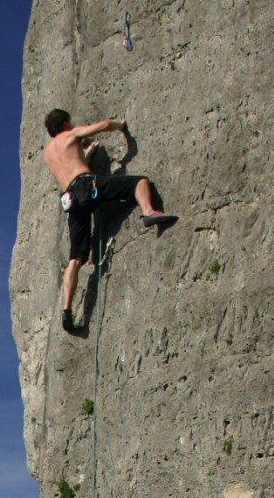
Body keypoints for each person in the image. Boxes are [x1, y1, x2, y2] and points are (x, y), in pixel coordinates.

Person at [43, 108, 177, 332]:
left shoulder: (48, 154)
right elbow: (104, 124)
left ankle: (67, 311)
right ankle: (150, 213)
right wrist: (121, 125)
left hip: (71, 198)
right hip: (87, 186)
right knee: (139, 182)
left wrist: (89, 153)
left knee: (75, 258)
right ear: (65, 122)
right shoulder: (70, 134)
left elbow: (70, 164)